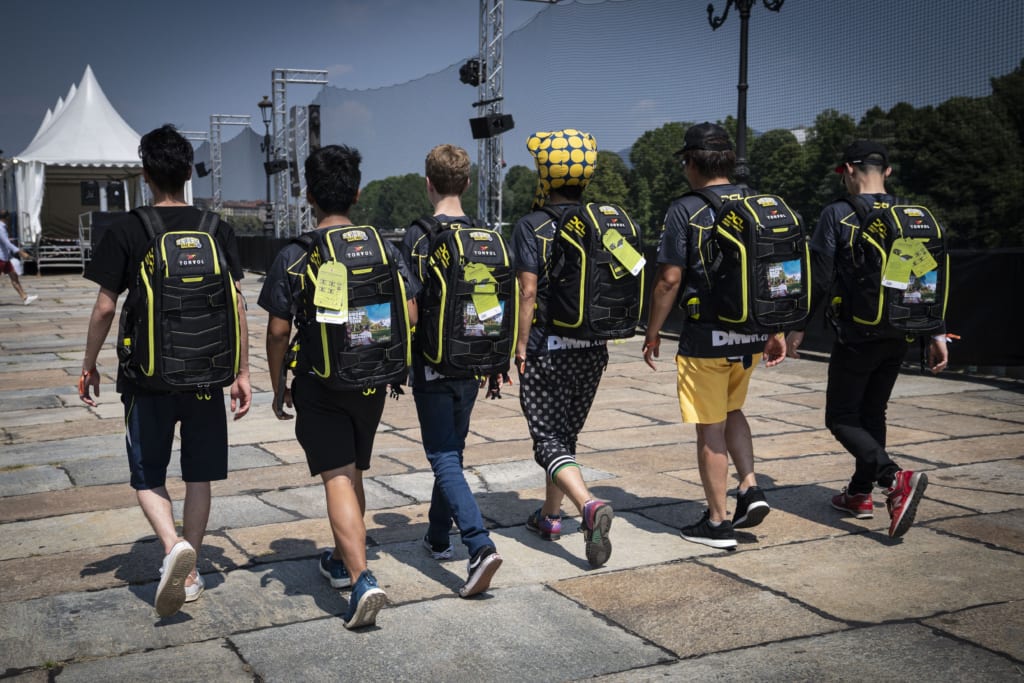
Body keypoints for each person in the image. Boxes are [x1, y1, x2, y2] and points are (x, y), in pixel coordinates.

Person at [79, 124, 252, 616]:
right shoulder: (216, 228)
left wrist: (89, 365)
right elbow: (237, 304)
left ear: (146, 175)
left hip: (146, 378)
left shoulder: (128, 229)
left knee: (147, 474)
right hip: (207, 373)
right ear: (188, 173)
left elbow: (105, 307)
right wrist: (242, 371)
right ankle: (191, 573)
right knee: (199, 474)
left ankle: (173, 546)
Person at [259, 144, 418, 628]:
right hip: (372, 380)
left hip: (321, 382)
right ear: (357, 193)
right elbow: (411, 313)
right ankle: (340, 558)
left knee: (337, 477)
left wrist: (278, 384)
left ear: (308, 195)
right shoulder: (384, 248)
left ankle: (361, 579)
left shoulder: (296, 254)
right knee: (353, 474)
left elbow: (278, 331)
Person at [786, 140, 946, 539]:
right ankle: (859, 492)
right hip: (901, 329)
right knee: (873, 412)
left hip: (858, 330)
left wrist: (798, 325)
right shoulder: (909, 215)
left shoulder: (837, 214)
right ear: (887, 172)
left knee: (841, 417)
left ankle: (893, 479)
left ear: (846, 170)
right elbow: (925, 278)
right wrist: (936, 331)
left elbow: (820, 276)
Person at [643, 122, 785, 550]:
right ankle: (750, 486)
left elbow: (669, 279)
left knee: (710, 428)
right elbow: (773, 269)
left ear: (691, 162)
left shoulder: (684, 209)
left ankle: (718, 523)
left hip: (706, 339)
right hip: (751, 333)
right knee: (732, 408)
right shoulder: (756, 201)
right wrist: (775, 327)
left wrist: (653, 332)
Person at [399, 143, 502, 598]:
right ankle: (438, 536)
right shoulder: (483, 235)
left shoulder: (418, 236)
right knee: (452, 453)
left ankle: (478, 545)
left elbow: (411, 309)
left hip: (432, 364)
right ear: (467, 183)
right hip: (472, 361)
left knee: (442, 455)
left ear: (428, 184)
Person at [513, 128, 614, 568]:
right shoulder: (600, 221)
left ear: (545, 173)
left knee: (546, 439)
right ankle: (550, 517)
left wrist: (520, 345)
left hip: (548, 347)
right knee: (564, 437)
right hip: (592, 348)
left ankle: (587, 506)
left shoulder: (531, 225)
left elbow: (528, 291)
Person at [0, 210, 38, 305]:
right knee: (14, 276)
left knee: (14, 276)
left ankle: (25, 297)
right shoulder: (0, 228)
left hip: (5, 258)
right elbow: (7, 244)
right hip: (1, 258)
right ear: (7, 218)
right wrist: (21, 253)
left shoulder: (3, 227)